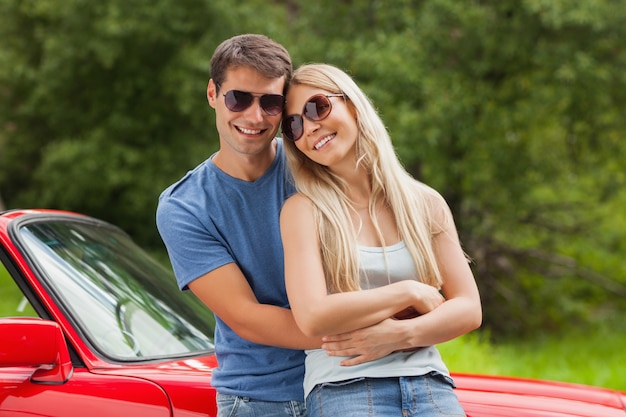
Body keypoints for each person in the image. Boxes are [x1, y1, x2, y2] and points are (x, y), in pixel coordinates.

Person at [156, 35, 437, 417]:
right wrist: (388, 326)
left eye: (270, 102)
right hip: (261, 396)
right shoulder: (184, 206)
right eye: (239, 98)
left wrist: (401, 331)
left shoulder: (318, 165)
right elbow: (249, 319)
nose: (255, 117)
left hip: (354, 378)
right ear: (212, 93)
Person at [279, 63, 482, 417]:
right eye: (294, 124)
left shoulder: (426, 204)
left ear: (352, 105)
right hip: (344, 388)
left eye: (317, 107)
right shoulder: (303, 211)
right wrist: (410, 292)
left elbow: (468, 308)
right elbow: (312, 316)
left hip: (429, 382)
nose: (309, 127)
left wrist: (398, 336)